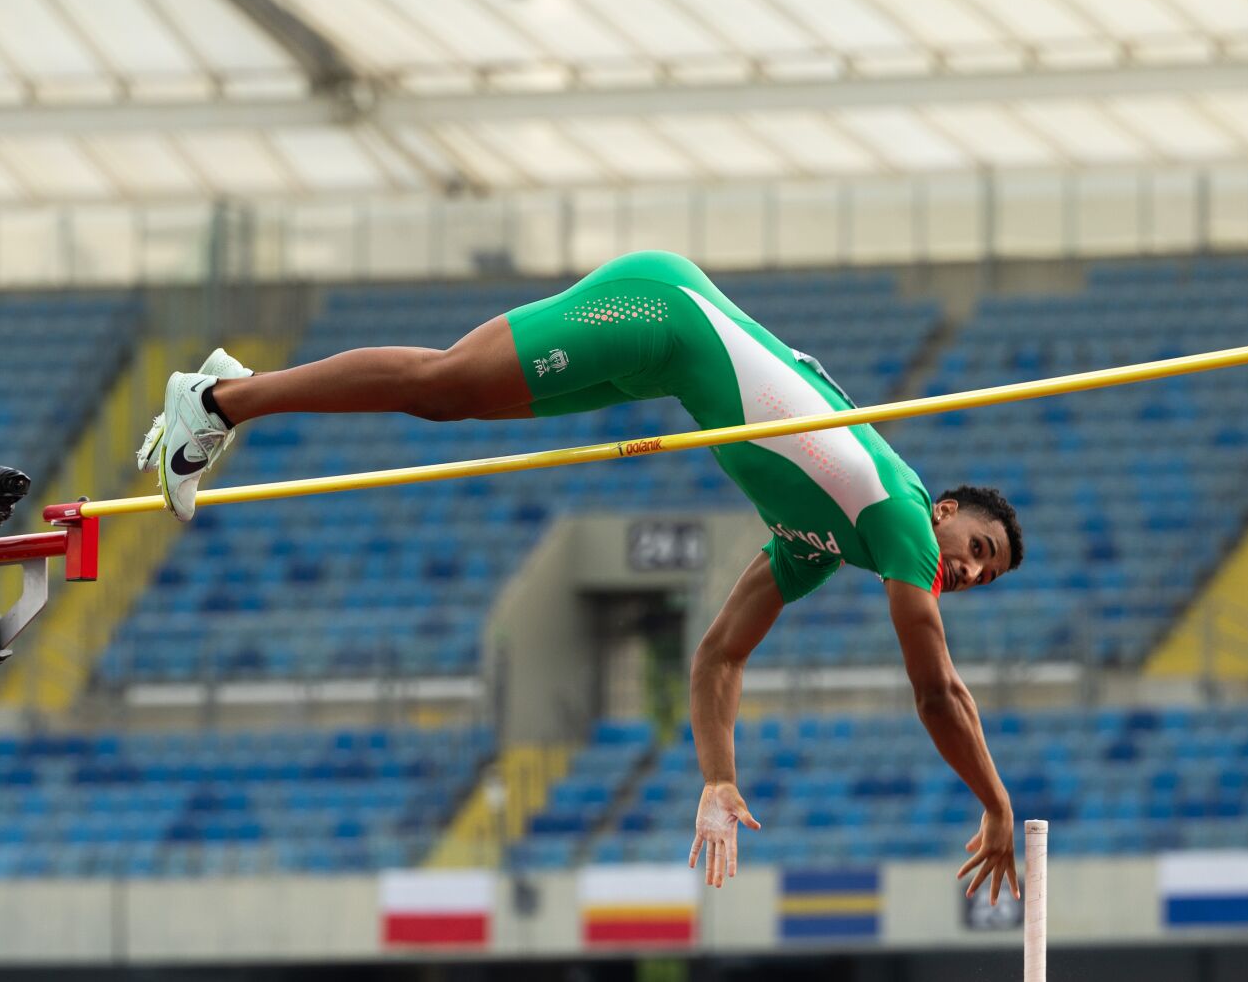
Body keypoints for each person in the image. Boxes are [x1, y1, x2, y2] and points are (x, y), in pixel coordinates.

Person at [139, 250, 1026, 902]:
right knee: (443, 383)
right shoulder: (901, 523)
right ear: (949, 511)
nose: (974, 570)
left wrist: (717, 777)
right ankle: (213, 402)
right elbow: (938, 692)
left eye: (988, 576)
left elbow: (719, 656)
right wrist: (994, 803)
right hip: (662, 313)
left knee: (448, 394)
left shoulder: (827, 541)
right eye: (981, 546)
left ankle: (231, 386)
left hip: (659, 351)